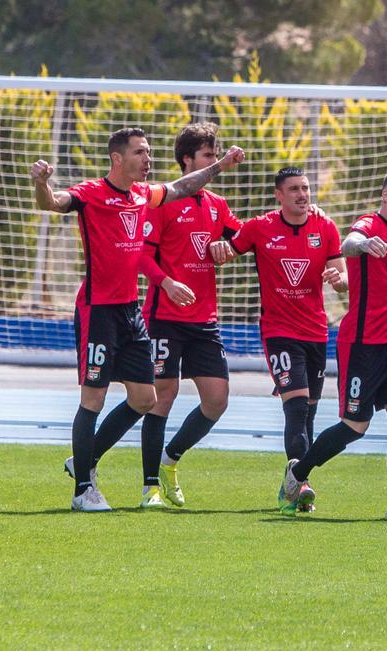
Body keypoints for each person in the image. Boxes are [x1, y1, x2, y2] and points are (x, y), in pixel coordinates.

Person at [32, 127, 244, 511]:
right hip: (98, 310)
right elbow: (53, 203)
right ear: (118, 158)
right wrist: (42, 184)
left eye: (149, 152)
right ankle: (83, 488)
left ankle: (85, 458)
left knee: (145, 399)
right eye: (140, 153)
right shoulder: (91, 193)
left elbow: (182, 185)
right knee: (93, 399)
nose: (148, 159)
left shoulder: (145, 195)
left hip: (132, 313)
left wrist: (221, 167)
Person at [277, 171, 387, 521]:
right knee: (355, 427)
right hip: (363, 344)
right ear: (386, 197)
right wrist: (362, 245)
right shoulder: (370, 224)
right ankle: (297, 473)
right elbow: (351, 242)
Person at [210, 167, 345, 513]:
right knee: (296, 407)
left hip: (316, 330)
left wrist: (339, 278)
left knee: (310, 412)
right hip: (279, 332)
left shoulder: (325, 227)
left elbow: (342, 275)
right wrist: (217, 249)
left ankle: (296, 483)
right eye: (294, 189)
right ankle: (301, 484)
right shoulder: (260, 227)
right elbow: (230, 248)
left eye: (306, 188)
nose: (303, 194)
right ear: (279, 196)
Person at [136, 122, 242, 509]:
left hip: (205, 319)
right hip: (166, 316)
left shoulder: (218, 205)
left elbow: (240, 238)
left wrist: (228, 246)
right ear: (187, 160)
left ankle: (169, 461)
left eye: (215, 156)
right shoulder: (162, 201)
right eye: (208, 156)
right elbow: (142, 254)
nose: (214, 162)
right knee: (163, 395)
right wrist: (166, 283)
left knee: (217, 401)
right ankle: (150, 487)